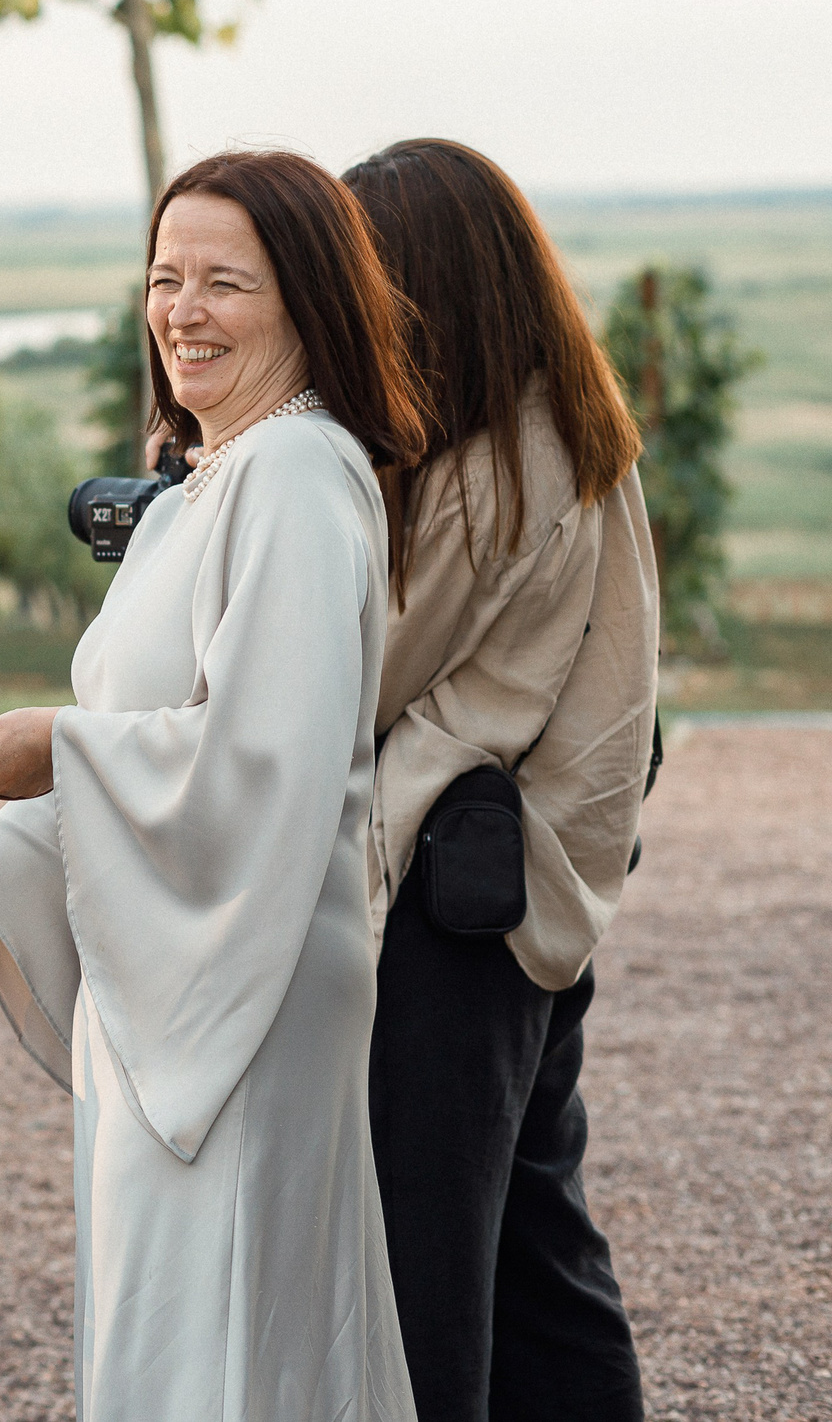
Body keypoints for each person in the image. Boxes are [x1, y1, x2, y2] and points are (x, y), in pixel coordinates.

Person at [0, 152, 430, 1420]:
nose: (182, 311)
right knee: (174, 1334)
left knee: (228, 1348)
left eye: (222, 283)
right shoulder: (207, 482)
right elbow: (135, 767)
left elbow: (260, 760)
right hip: (178, 971)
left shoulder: (297, 477)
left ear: (306, 300)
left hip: (243, 993)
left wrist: (64, 741)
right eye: (162, 278)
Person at [343, 138, 658, 1421]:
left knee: (428, 1270)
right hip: (533, 889)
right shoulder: (570, 423)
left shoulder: (480, 470)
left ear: (428, 280)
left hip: (447, 908)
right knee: (535, 1244)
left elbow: (352, 686)